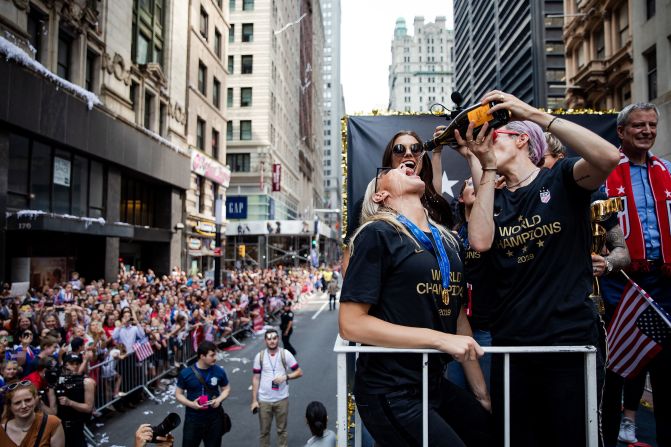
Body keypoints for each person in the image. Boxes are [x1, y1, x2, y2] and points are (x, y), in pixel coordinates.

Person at [458, 89, 619, 446]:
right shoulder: (493, 195)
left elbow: (609, 157)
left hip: (567, 342)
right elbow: (480, 242)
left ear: (519, 139)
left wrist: (533, 113)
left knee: (571, 437)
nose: (486, 140)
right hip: (513, 345)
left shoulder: (560, 177)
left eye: (495, 134)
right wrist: (484, 166)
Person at [339, 166, 492, 446]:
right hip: (389, 389)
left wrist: (481, 393)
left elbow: (456, 319)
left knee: (489, 434)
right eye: (390, 170)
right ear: (380, 195)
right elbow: (351, 324)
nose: (404, 165)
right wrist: (440, 340)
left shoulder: (448, 241)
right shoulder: (376, 233)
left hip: (433, 383)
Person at [600, 102, 671, 447]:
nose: (646, 132)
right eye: (638, 126)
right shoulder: (603, 170)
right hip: (621, 282)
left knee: (664, 366)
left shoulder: (668, 171)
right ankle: (609, 438)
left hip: (664, 281)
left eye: (652, 126)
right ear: (621, 131)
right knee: (617, 366)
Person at [342, 128, 452, 275]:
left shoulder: (435, 204)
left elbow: (435, 191)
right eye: (399, 149)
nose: (408, 153)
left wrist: (437, 152)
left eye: (416, 148)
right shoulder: (372, 207)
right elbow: (350, 261)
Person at [448, 177, 492, 392]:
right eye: (470, 183)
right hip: (456, 329)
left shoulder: (493, 231)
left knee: (488, 395)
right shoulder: (451, 235)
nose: (475, 185)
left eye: (478, 182)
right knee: (457, 395)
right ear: (460, 197)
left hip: (486, 327)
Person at [250, 328, 303, 447]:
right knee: (264, 432)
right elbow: (256, 378)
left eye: (274, 338)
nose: (272, 341)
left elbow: (299, 372)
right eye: (269, 339)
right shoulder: (260, 357)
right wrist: (254, 401)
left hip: (282, 399)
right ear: (265, 341)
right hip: (264, 401)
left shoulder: (286, 354)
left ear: (278, 339)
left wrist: (286, 377)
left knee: (282, 431)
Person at [175, 340, 230, 447]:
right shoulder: (186, 373)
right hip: (193, 419)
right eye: (212, 355)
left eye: (216, 354)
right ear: (202, 356)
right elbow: (178, 394)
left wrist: (218, 400)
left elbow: (226, 389)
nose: (215, 358)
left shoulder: (219, 371)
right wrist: (191, 404)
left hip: (214, 419)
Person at [48, 353, 95, 447]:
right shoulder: (58, 382)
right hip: (60, 427)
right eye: (72, 363)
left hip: (77, 426)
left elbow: (88, 408)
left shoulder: (86, 382)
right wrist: (40, 403)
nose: (75, 366)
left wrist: (70, 402)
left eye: (77, 363)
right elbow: (53, 411)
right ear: (65, 365)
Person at [0, 381, 65, 447]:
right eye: (17, 403)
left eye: (28, 400)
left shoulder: (52, 423)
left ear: (35, 399)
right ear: (10, 406)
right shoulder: (2, 430)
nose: (24, 406)